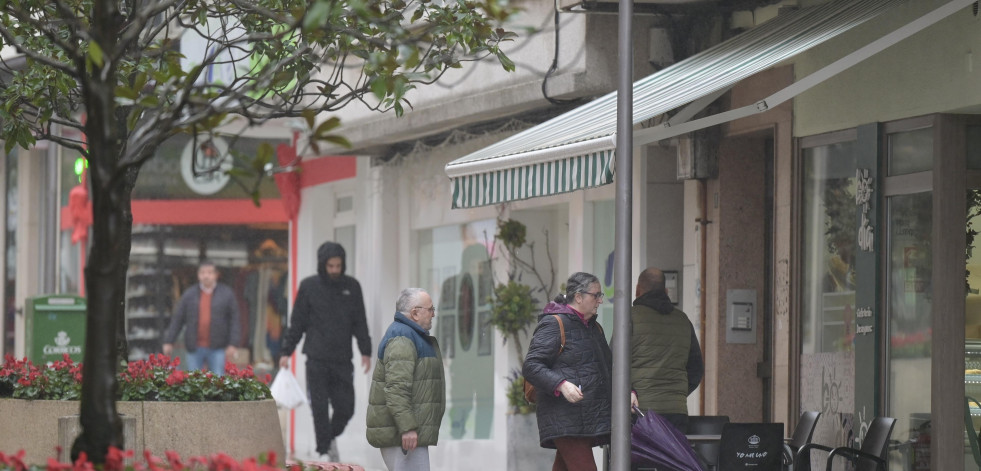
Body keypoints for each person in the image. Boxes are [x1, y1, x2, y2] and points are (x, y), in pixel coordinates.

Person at [280, 241, 372, 462]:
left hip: (342, 359)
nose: (334, 270)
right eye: (330, 265)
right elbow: (297, 322)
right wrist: (286, 351)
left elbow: (360, 321)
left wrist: (365, 351)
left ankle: (328, 439)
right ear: (323, 265)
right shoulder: (309, 287)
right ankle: (324, 452)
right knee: (319, 408)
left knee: (346, 407)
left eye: (338, 265)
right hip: (316, 358)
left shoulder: (353, 287)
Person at [523, 272, 613, 471]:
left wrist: (630, 392)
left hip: (586, 418)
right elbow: (531, 366)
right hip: (564, 418)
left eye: (600, 295)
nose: (599, 300)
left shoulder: (594, 327)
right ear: (579, 297)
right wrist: (561, 384)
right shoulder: (554, 323)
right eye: (595, 295)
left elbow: (609, 367)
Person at [366, 288, 445, 471]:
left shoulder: (410, 335)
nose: (433, 314)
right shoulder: (402, 337)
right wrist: (407, 427)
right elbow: (396, 388)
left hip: (405, 433)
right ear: (415, 313)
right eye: (430, 309)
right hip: (403, 436)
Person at [630, 267, 704, 433]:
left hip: (640, 411)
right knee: (671, 458)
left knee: (642, 459)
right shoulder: (683, 320)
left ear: (637, 290)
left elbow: (614, 364)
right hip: (676, 412)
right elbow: (696, 369)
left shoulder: (630, 318)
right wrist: (675, 393)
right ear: (665, 291)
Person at [162, 260, 241, 376]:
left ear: (216, 275)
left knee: (217, 382)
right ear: (198, 275)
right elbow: (178, 319)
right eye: (203, 273)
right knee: (194, 383)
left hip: (217, 347)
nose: (206, 276)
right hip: (194, 347)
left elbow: (235, 320)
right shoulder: (189, 295)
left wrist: (233, 343)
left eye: (209, 272)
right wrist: (169, 341)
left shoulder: (226, 294)